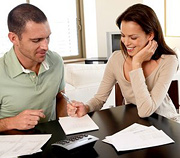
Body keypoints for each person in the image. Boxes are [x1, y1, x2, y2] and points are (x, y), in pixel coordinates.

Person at [67, 3, 180, 122]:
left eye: (133, 37)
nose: (126, 42)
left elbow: (145, 110)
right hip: (136, 123)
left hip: (166, 123)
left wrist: (137, 63)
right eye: (123, 35)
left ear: (150, 35)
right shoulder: (116, 59)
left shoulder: (168, 61)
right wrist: (86, 107)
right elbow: (99, 99)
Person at [0, 3, 67, 132]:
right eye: (36, 40)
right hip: (12, 148)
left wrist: (65, 129)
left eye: (48, 38)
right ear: (13, 38)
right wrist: (11, 122)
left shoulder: (56, 61)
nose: (45, 46)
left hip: (52, 143)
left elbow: (60, 97)